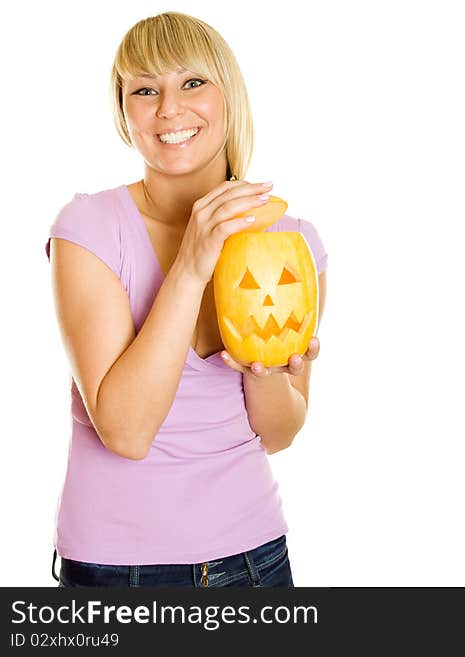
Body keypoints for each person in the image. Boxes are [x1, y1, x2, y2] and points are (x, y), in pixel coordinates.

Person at [44, 12, 328, 587]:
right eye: (144, 90)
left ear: (229, 96)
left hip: (257, 557)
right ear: (125, 115)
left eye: (192, 82)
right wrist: (192, 264)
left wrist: (268, 371)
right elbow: (125, 431)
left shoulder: (292, 242)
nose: (169, 108)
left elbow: (278, 434)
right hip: (117, 571)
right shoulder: (89, 229)